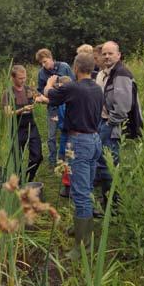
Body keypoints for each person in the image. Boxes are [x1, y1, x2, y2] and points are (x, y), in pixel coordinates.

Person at [44, 53, 103, 260]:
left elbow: (50, 96)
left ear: (76, 68)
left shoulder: (72, 87)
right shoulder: (97, 87)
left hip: (79, 142)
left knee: (79, 192)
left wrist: (50, 83)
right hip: (95, 140)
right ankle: (81, 229)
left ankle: (83, 246)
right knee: (86, 186)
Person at [96, 41, 143, 209]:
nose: (107, 56)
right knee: (105, 160)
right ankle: (108, 199)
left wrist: (109, 123)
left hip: (113, 124)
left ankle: (111, 205)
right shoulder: (107, 73)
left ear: (119, 55)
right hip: (105, 121)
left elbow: (123, 107)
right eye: (104, 53)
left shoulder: (121, 73)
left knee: (109, 162)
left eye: (111, 53)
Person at [2, 65, 43, 182]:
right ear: (13, 78)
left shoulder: (29, 89)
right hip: (16, 128)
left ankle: (28, 179)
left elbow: (43, 98)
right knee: (16, 160)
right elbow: (8, 113)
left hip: (31, 126)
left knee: (37, 157)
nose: (23, 80)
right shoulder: (8, 93)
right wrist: (22, 109)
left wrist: (41, 99)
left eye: (24, 78)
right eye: (20, 78)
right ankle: (18, 182)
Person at [35, 48, 75, 167]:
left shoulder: (64, 66)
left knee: (67, 133)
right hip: (52, 106)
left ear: (51, 58)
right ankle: (52, 160)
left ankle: (67, 159)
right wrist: (41, 97)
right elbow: (40, 90)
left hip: (67, 106)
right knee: (51, 136)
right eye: (41, 63)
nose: (44, 65)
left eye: (45, 61)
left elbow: (74, 83)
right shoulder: (41, 73)